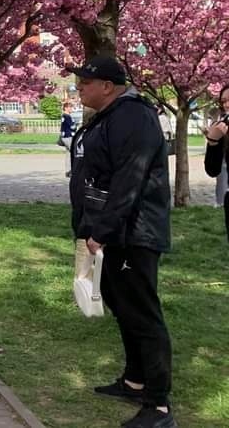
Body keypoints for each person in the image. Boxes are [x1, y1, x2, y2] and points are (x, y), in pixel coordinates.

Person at [68, 56, 174, 428]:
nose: (79, 86)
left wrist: (103, 231)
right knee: (122, 305)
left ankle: (159, 406)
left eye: (86, 81)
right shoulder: (112, 116)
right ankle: (135, 380)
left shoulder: (133, 117)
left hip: (134, 232)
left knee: (142, 313)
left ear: (108, 86)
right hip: (115, 232)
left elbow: (129, 180)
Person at [203, 84, 229, 241]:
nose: (226, 105)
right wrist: (213, 142)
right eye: (224, 101)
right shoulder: (223, 126)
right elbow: (212, 170)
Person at [60, 105, 76, 176]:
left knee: (68, 154)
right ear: (66, 108)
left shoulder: (64, 115)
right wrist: (77, 125)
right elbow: (72, 127)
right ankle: (72, 170)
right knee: (74, 153)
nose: (71, 109)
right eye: (70, 107)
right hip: (68, 136)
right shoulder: (67, 116)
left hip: (65, 136)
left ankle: (68, 171)